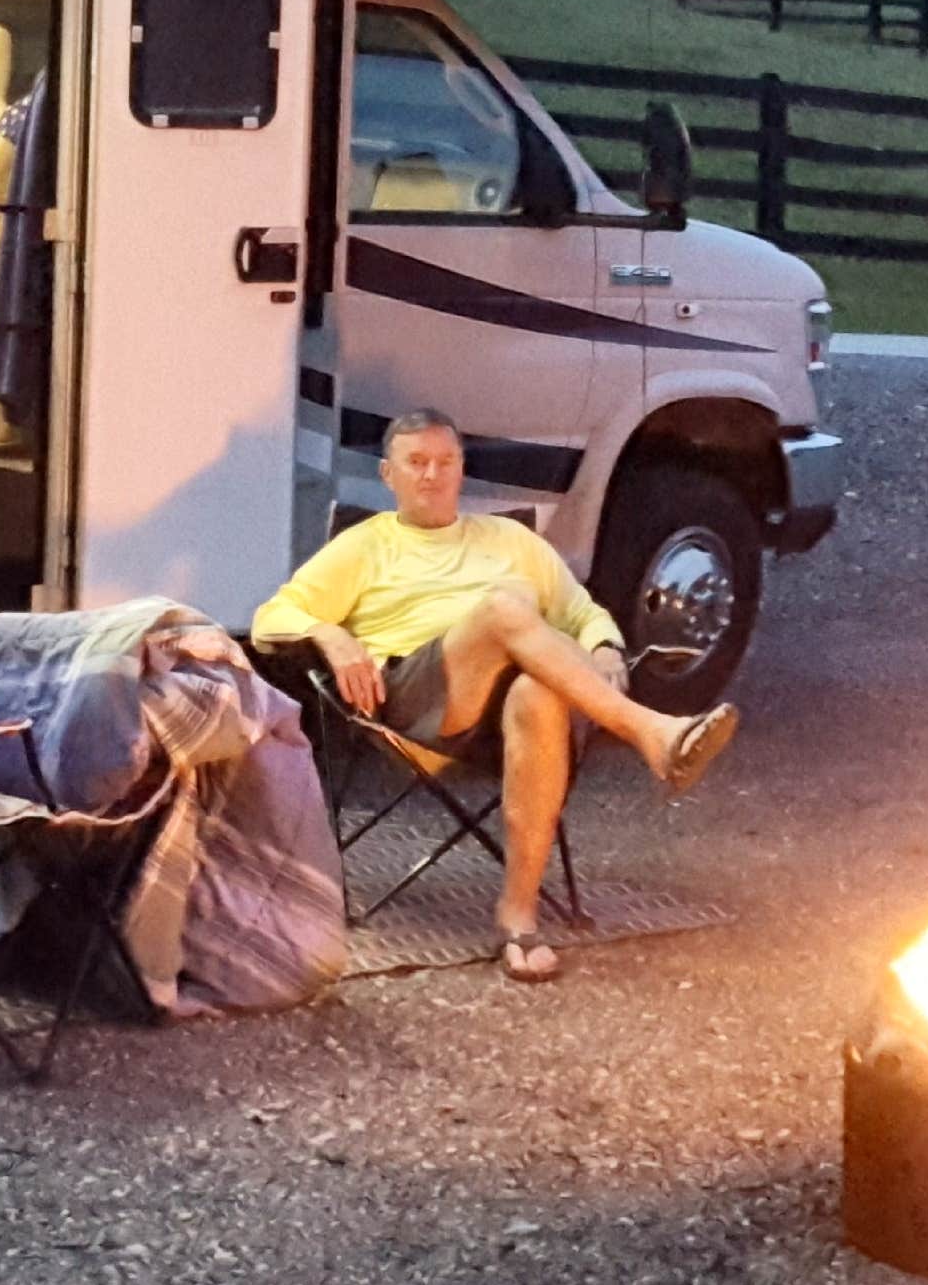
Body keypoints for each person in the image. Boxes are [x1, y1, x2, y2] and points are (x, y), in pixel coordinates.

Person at [251, 409, 737, 982]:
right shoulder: (363, 546)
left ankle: (518, 915)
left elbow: (582, 613)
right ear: (388, 474)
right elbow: (269, 618)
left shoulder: (511, 540)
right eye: (417, 463)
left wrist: (605, 646)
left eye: (446, 462)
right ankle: (652, 733)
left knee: (540, 691)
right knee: (505, 606)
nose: (432, 475)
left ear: (462, 470)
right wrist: (329, 633)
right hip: (416, 714)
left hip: (505, 727)